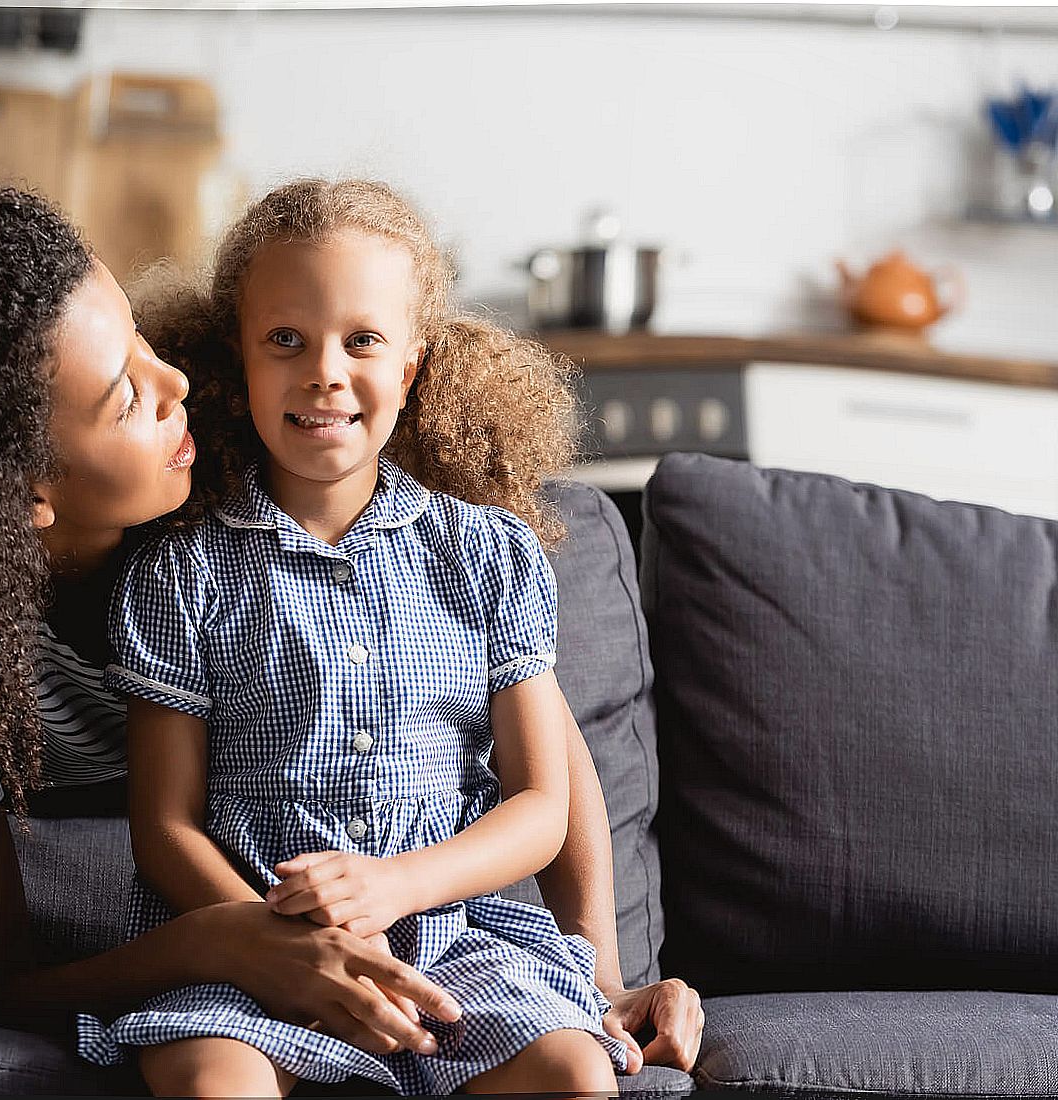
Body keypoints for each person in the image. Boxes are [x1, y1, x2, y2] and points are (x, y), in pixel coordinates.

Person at [0, 184, 703, 1078]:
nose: (179, 384)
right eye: (127, 396)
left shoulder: (267, 458)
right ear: (22, 490)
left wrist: (600, 973)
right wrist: (220, 938)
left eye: (145, 346)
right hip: (218, 898)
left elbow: (529, 730)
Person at [74, 178, 675, 1097]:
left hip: (450, 948)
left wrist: (396, 888)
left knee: (575, 1078)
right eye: (286, 339)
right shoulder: (179, 574)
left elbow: (542, 808)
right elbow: (164, 827)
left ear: (412, 365)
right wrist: (280, 945)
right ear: (239, 360)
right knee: (210, 1085)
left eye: (362, 340)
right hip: (249, 954)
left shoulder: (488, 556)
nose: (323, 370)